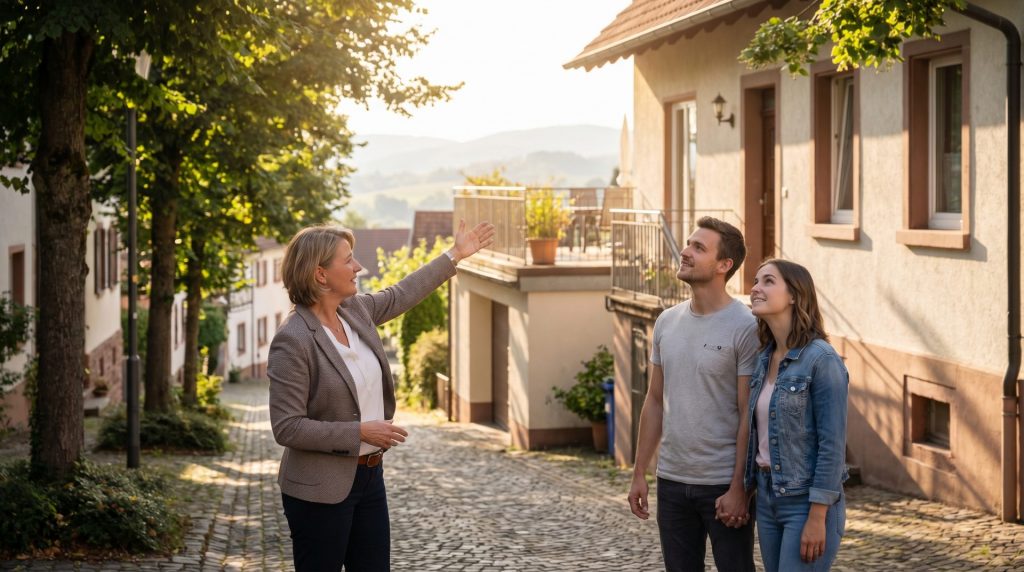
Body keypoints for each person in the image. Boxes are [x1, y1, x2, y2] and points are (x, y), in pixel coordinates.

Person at [268, 220, 495, 571]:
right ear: (321, 275)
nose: (359, 267)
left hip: (370, 477)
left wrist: (455, 255)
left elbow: (402, 292)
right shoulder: (294, 339)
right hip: (318, 490)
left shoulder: (355, 311)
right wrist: (359, 433)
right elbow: (288, 427)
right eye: (349, 260)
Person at [628, 217, 760, 571]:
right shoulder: (666, 322)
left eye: (698, 247)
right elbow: (655, 401)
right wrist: (640, 471)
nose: (684, 252)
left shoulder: (745, 327)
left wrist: (739, 488)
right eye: (689, 244)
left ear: (723, 265)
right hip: (671, 482)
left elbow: (749, 412)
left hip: (721, 484)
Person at [744, 259, 849, 571]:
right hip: (766, 498)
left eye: (768, 281)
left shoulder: (822, 360)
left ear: (794, 295)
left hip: (805, 503)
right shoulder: (764, 358)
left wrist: (817, 516)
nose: (755, 288)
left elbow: (832, 445)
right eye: (755, 281)